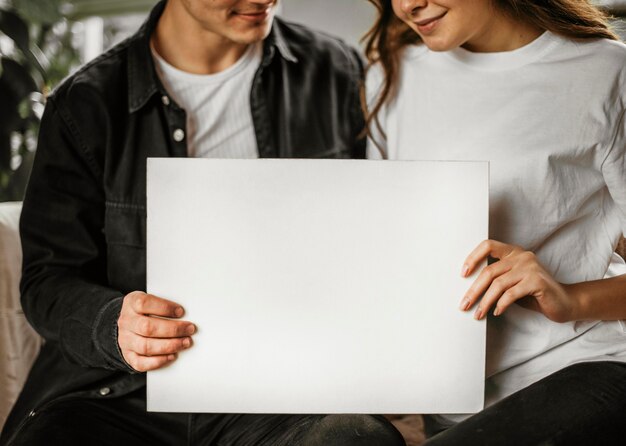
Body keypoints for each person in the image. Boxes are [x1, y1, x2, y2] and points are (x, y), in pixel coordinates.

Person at [0, 1, 406, 445]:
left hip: (282, 397)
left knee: (358, 437)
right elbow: (47, 280)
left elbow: (376, 236)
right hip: (119, 393)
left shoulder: (336, 71)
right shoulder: (86, 102)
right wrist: (113, 323)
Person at [364, 0, 626, 444]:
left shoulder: (606, 71)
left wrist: (569, 299)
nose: (409, 5)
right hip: (452, 408)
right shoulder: (392, 72)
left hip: (582, 369)